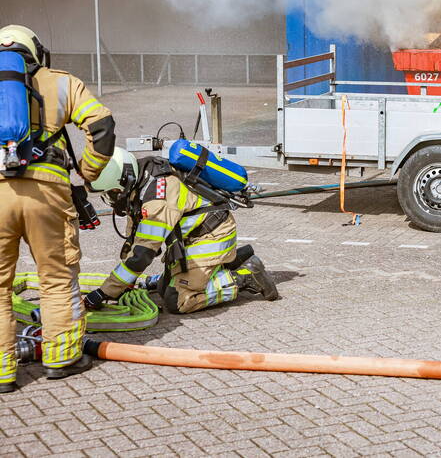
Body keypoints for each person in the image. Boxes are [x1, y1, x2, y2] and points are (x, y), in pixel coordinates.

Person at [0, 25, 116, 391]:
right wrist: (88, 170)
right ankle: (62, 358)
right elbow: (103, 127)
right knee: (56, 277)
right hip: (47, 193)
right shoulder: (62, 82)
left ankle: (3, 373)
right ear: (36, 51)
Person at [85, 149, 278, 316]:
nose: (109, 199)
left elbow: (142, 254)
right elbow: (135, 240)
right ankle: (232, 261)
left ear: (123, 181)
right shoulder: (141, 180)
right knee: (162, 289)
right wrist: (124, 285)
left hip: (211, 237)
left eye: (110, 193)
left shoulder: (157, 199)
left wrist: (103, 293)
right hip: (192, 239)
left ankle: (245, 276)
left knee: (177, 300)